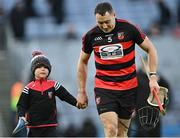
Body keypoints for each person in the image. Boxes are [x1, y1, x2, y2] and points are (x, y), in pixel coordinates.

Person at [76, 2, 160, 137]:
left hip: (128, 89)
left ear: (114, 15)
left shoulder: (129, 29)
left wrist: (153, 77)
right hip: (105, 89)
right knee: (111, 129)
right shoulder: (91, 36)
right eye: (100, 22)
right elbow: (82, 62)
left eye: (107, 22)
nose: (104, 26)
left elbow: (151, 49)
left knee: (122, 133)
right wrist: (81, 91)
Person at [16, 51, 85, 137]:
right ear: (33, 70)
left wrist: (76, 103)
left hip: (50, 126)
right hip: (33, 126)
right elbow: (21, 105)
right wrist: (21, 116)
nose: (43, 69)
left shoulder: (53, 85)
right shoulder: (28, 88)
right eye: (39, 67)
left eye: (45, 67)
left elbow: (65, 95)